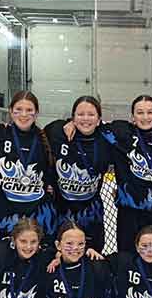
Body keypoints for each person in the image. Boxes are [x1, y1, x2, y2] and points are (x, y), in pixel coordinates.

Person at [100, 95, 152, 253]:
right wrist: (70, 123)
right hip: (129, 212)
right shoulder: (122, 132)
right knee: (127, 257)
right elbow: (92, 126)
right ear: (132, 116)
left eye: (150, 112)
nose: (145, 117)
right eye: (140, 112)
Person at [0, 91, 56, 238]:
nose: (24, 115)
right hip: (7, 216)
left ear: (36, 113)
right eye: (18, 110)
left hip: (38, 215)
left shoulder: (47, 137)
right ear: (10, 111)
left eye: (29, 110)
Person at [45, 96, 113, 253]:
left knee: (92, 255)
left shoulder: (106, 139)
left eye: (91, 114)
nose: (86, 119)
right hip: (60, 210)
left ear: (99, 119)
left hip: (91, 212)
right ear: (73, 117)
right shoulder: (57, 131)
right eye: (80, 114)